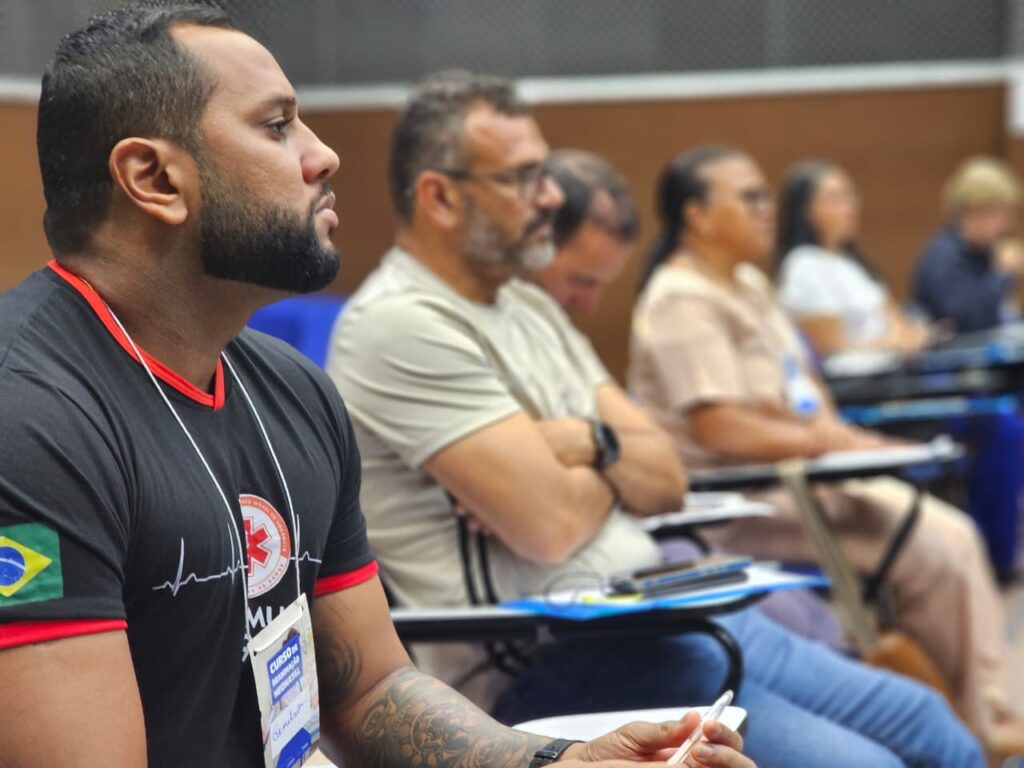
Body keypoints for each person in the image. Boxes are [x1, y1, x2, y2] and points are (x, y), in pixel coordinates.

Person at [0, 8, 753, 768]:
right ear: (155, 179)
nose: (323, 155)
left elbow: (368, 689)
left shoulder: (292, 390)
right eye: (277, 127)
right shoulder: (27, 421)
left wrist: (558, 763)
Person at [328, 70, 984, 768]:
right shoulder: (401, 324)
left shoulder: (528, 306)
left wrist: (585, 443)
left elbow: (665, 474)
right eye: (523, 178)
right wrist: (609, 463)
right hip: (552, 659)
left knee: (932, 725)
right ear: (439, 196)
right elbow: (550, 523)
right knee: (872, 765)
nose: (550, 196)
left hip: (659, 612)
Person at [628, 144, 1023, 756]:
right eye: (749, 197)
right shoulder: (680, 298)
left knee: (952, 534)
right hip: (743, 499)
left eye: (766, 195)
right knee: (937, 544)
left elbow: (802, 388)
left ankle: (975, 710)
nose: (768, 208)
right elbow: (720, 427)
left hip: (805, 473)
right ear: (696, 214)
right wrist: (824, 440)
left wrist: (841, 437)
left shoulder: (748, 284)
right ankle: (972, 718)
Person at [775, 160, 930, 357]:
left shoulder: (850, 261)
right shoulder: (803, 265)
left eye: (850, 195)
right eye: (835, 198)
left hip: (895, 365)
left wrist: (910, 335)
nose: (849, 207)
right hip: (860, 373)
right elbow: (831, 350)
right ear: (805, 210)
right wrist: (892, 343)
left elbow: (895, 318)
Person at [913, 156, 1024, 333]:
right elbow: (970, 322)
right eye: (999, 214)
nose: (1006, 224)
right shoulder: (943, 258)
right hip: (959, 347)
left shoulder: (984, 250)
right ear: (972, 212)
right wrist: (1002, 274)